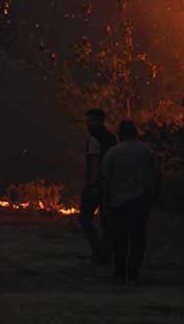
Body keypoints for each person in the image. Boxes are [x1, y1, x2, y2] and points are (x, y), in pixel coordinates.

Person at [99, 119, 160, 286]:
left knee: (119, 240)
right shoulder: (147, 152)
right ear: (135, 133)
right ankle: (133, 275)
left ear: (120, 134)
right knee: (137, 241)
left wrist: (104, 205)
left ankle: (120, 273)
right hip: (140, 202)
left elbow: (105, 180)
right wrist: (151, 199)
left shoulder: (112, 153)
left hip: (118, 203)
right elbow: (154, 177)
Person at [79, 108, 117, 264]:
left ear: (100, 121)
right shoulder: (112, 138)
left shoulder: (94, 139)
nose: (89, 124)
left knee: (85, 218)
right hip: (110, 184)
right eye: (88, 121)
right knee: (106, 221)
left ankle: (99, 252)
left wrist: (92, 185)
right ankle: (106, 253)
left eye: (91, 121)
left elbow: (94, 164)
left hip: (97, 185)